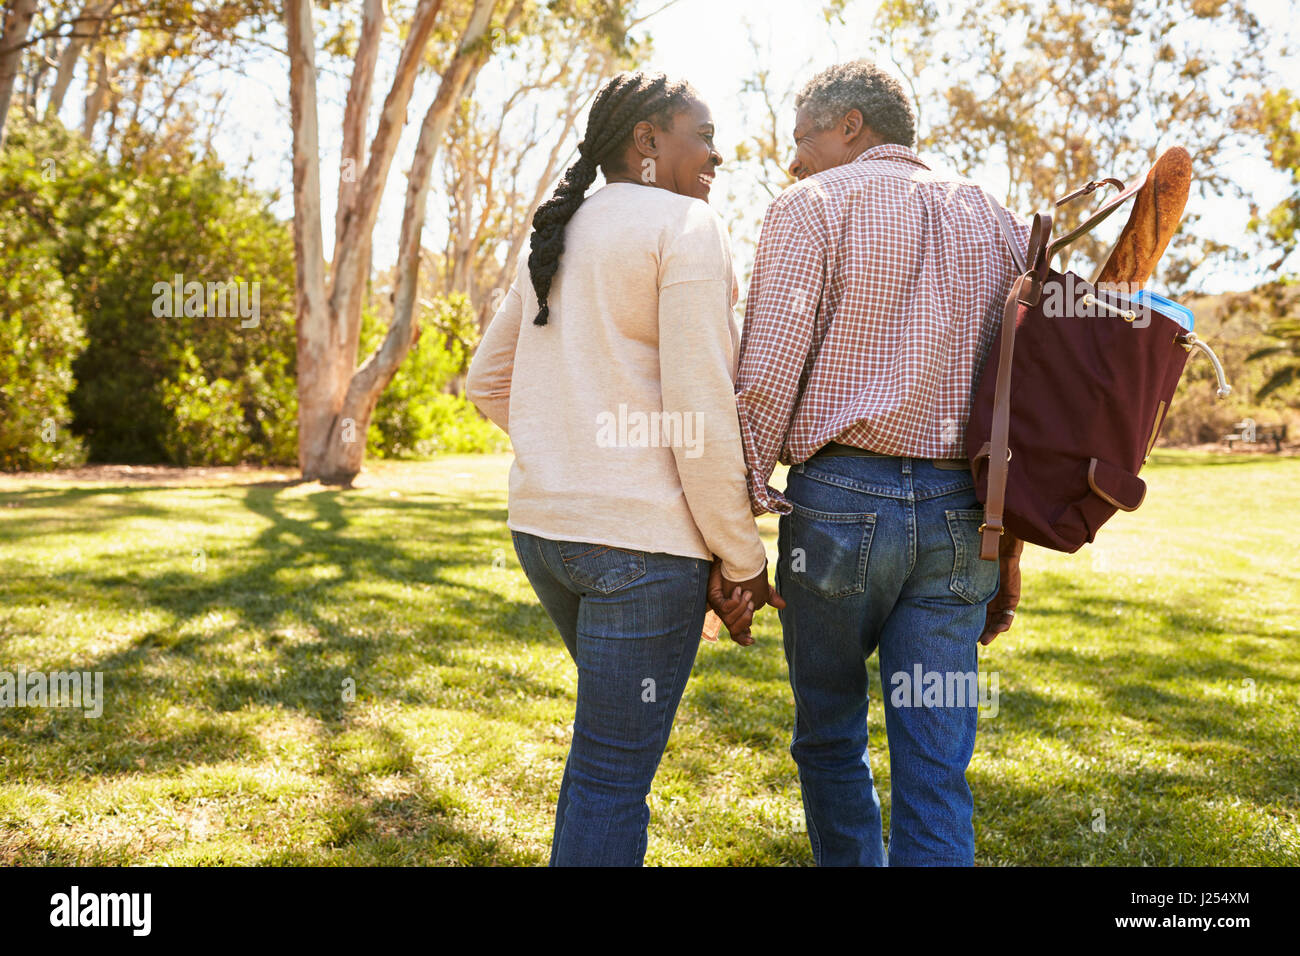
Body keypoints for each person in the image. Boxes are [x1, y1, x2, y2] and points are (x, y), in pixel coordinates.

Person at [465, 70, 781, 867]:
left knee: (600, 761)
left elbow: (486, 382)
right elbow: (703, 414)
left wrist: (570, 448)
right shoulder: (687, 226)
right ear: (646, 140)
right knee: (611, 773)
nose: (719, 152)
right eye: (702, 134)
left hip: (545, 535)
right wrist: (741, 561)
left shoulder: (561, 226)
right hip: (639, 557)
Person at [735, 60, 1029, 866]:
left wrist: (738, 517)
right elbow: (1017, 400)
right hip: (965, 514)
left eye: (802, 140)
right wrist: (1010, 548)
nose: (792, 161)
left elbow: (764, 377)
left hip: (838, 504)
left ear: (852, 125)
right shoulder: (996, 218)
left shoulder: (810, 207)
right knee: (936, 767)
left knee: (830, 734)